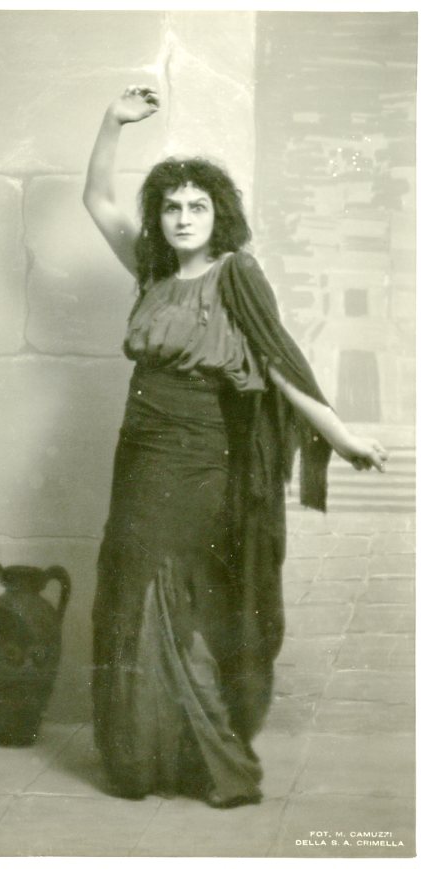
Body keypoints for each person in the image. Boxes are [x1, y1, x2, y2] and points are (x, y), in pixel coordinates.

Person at [82, 85, 388, 808]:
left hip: (202, 455)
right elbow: (96, 200)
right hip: (139, 449)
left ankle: (206, 758)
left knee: (178, 595)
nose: (184, 218)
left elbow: (279, 363)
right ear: (159, 215)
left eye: (198, 206)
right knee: (132, 586)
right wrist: (111, 122)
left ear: (219, 215)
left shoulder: (235, 274)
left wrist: (341, 435)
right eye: (172, 206)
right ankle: (143, 756)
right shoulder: (152, 271)